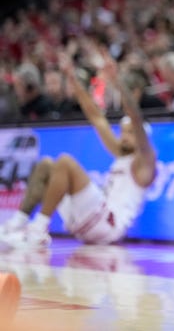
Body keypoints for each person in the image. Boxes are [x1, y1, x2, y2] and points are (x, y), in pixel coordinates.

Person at [0, 50, 157, 248]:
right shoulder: (120, 153)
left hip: (109, 225)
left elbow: (135, 115)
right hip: (89, 221)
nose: (125, 136)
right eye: (123, 131)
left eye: (131, 133)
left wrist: (117, 80)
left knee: (66, 162)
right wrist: (72, 78)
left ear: (141, 136)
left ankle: (38, 229)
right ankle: (17, 223)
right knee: (47, 165)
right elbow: (96, 117)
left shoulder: (145, 161)